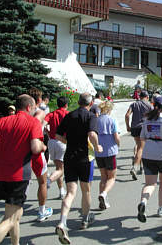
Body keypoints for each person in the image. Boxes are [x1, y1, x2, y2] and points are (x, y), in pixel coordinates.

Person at [0, 94, 46, 245]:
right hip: (19, 174)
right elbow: (36, 148)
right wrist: (44, 146)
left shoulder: (2, 121)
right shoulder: (33, 122)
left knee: (14, 215)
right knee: (10, 219)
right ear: (29, 107)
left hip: (2, 173)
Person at [55, 93, 103, 244]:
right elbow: (91, 134)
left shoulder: (69, 115)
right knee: (86, 190)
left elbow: (57, 135)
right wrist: (97, 146)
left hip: (69, 157)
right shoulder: (91, 116)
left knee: (70, 192)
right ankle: (85, 219)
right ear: (90, 103)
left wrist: (67, 140)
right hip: (85, 158)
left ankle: (62, 222)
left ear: (79, 102)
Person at [135, 97, 162, 223]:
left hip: (148, 153)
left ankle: (143, 202)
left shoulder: (147, 119)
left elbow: (142, 137)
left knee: (149, 184)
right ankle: (161, 208)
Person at [28, 87, 53, 222]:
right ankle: (42, 211)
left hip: (21, 151)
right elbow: (37, 127)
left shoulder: (22, 114)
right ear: (39, 100)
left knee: (23, 184)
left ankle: (13, 215)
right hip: (37, 149)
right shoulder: (40, 113)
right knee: (42, 182)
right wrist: (42, 145)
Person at [95, 101, 120, 210]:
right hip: (110, 151)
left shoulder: (95, 121)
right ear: (109, 110)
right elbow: (116, 136)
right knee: (112, 177)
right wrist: (119, 144)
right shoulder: (112, 120)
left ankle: (102, 201)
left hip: (99, 152)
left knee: (103, 177)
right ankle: (104, 194)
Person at [44, 96, 69, 199]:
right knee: (61, 169)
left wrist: (48, 132)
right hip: (62, 141)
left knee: (59, 167)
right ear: (66, 105)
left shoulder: (51, 114)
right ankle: (49, 180)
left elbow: (43, 124)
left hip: (52, 141)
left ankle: (61, 191)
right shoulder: (67, 114)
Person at [125, 90, 153, 180]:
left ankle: (140, 165)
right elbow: (154, 118)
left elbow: (127, 115)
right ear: (147, 97)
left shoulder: (134, 104)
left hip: (134, 128)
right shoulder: (149, 105)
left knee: (138, 146)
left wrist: (128, 126)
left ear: (139, 97)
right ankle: (135, 167)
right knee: (141, 148)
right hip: (144, 128)